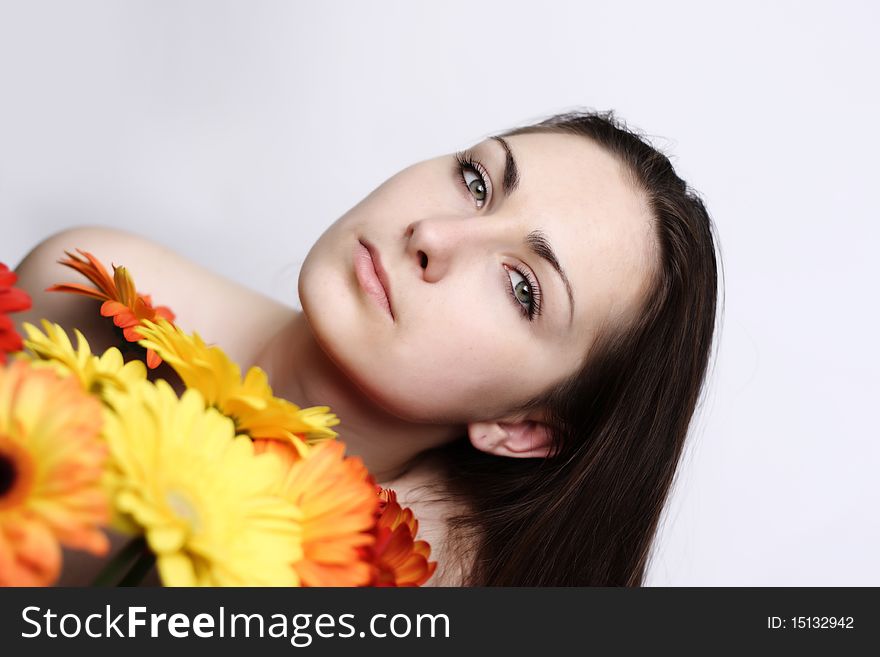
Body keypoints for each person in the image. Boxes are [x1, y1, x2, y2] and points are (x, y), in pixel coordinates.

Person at [13, 109, 720, 586]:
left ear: (521, 427)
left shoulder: (400, 571)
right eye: (477, 182)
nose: (434, 236)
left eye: (522, 288)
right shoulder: (90, 289)